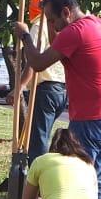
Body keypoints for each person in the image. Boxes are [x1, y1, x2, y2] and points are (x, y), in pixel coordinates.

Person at [14, 0, 101, 199]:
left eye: (52, 20)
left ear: (67, 12)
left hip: (92, 116)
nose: (51, 26)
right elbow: (56, 43)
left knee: (84, 174)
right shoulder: (98, 24)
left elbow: (39, 63)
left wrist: (25, 37)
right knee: (95, 172)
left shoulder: (75, 32)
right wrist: (50, 22)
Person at [6, 20, 68, 165]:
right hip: (61, 89)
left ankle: (38, 178)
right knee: (43, 136)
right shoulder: (62, 25)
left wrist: (19, 87)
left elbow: (33, 62)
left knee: (38, 139)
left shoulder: (39, 26)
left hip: (45, 89)